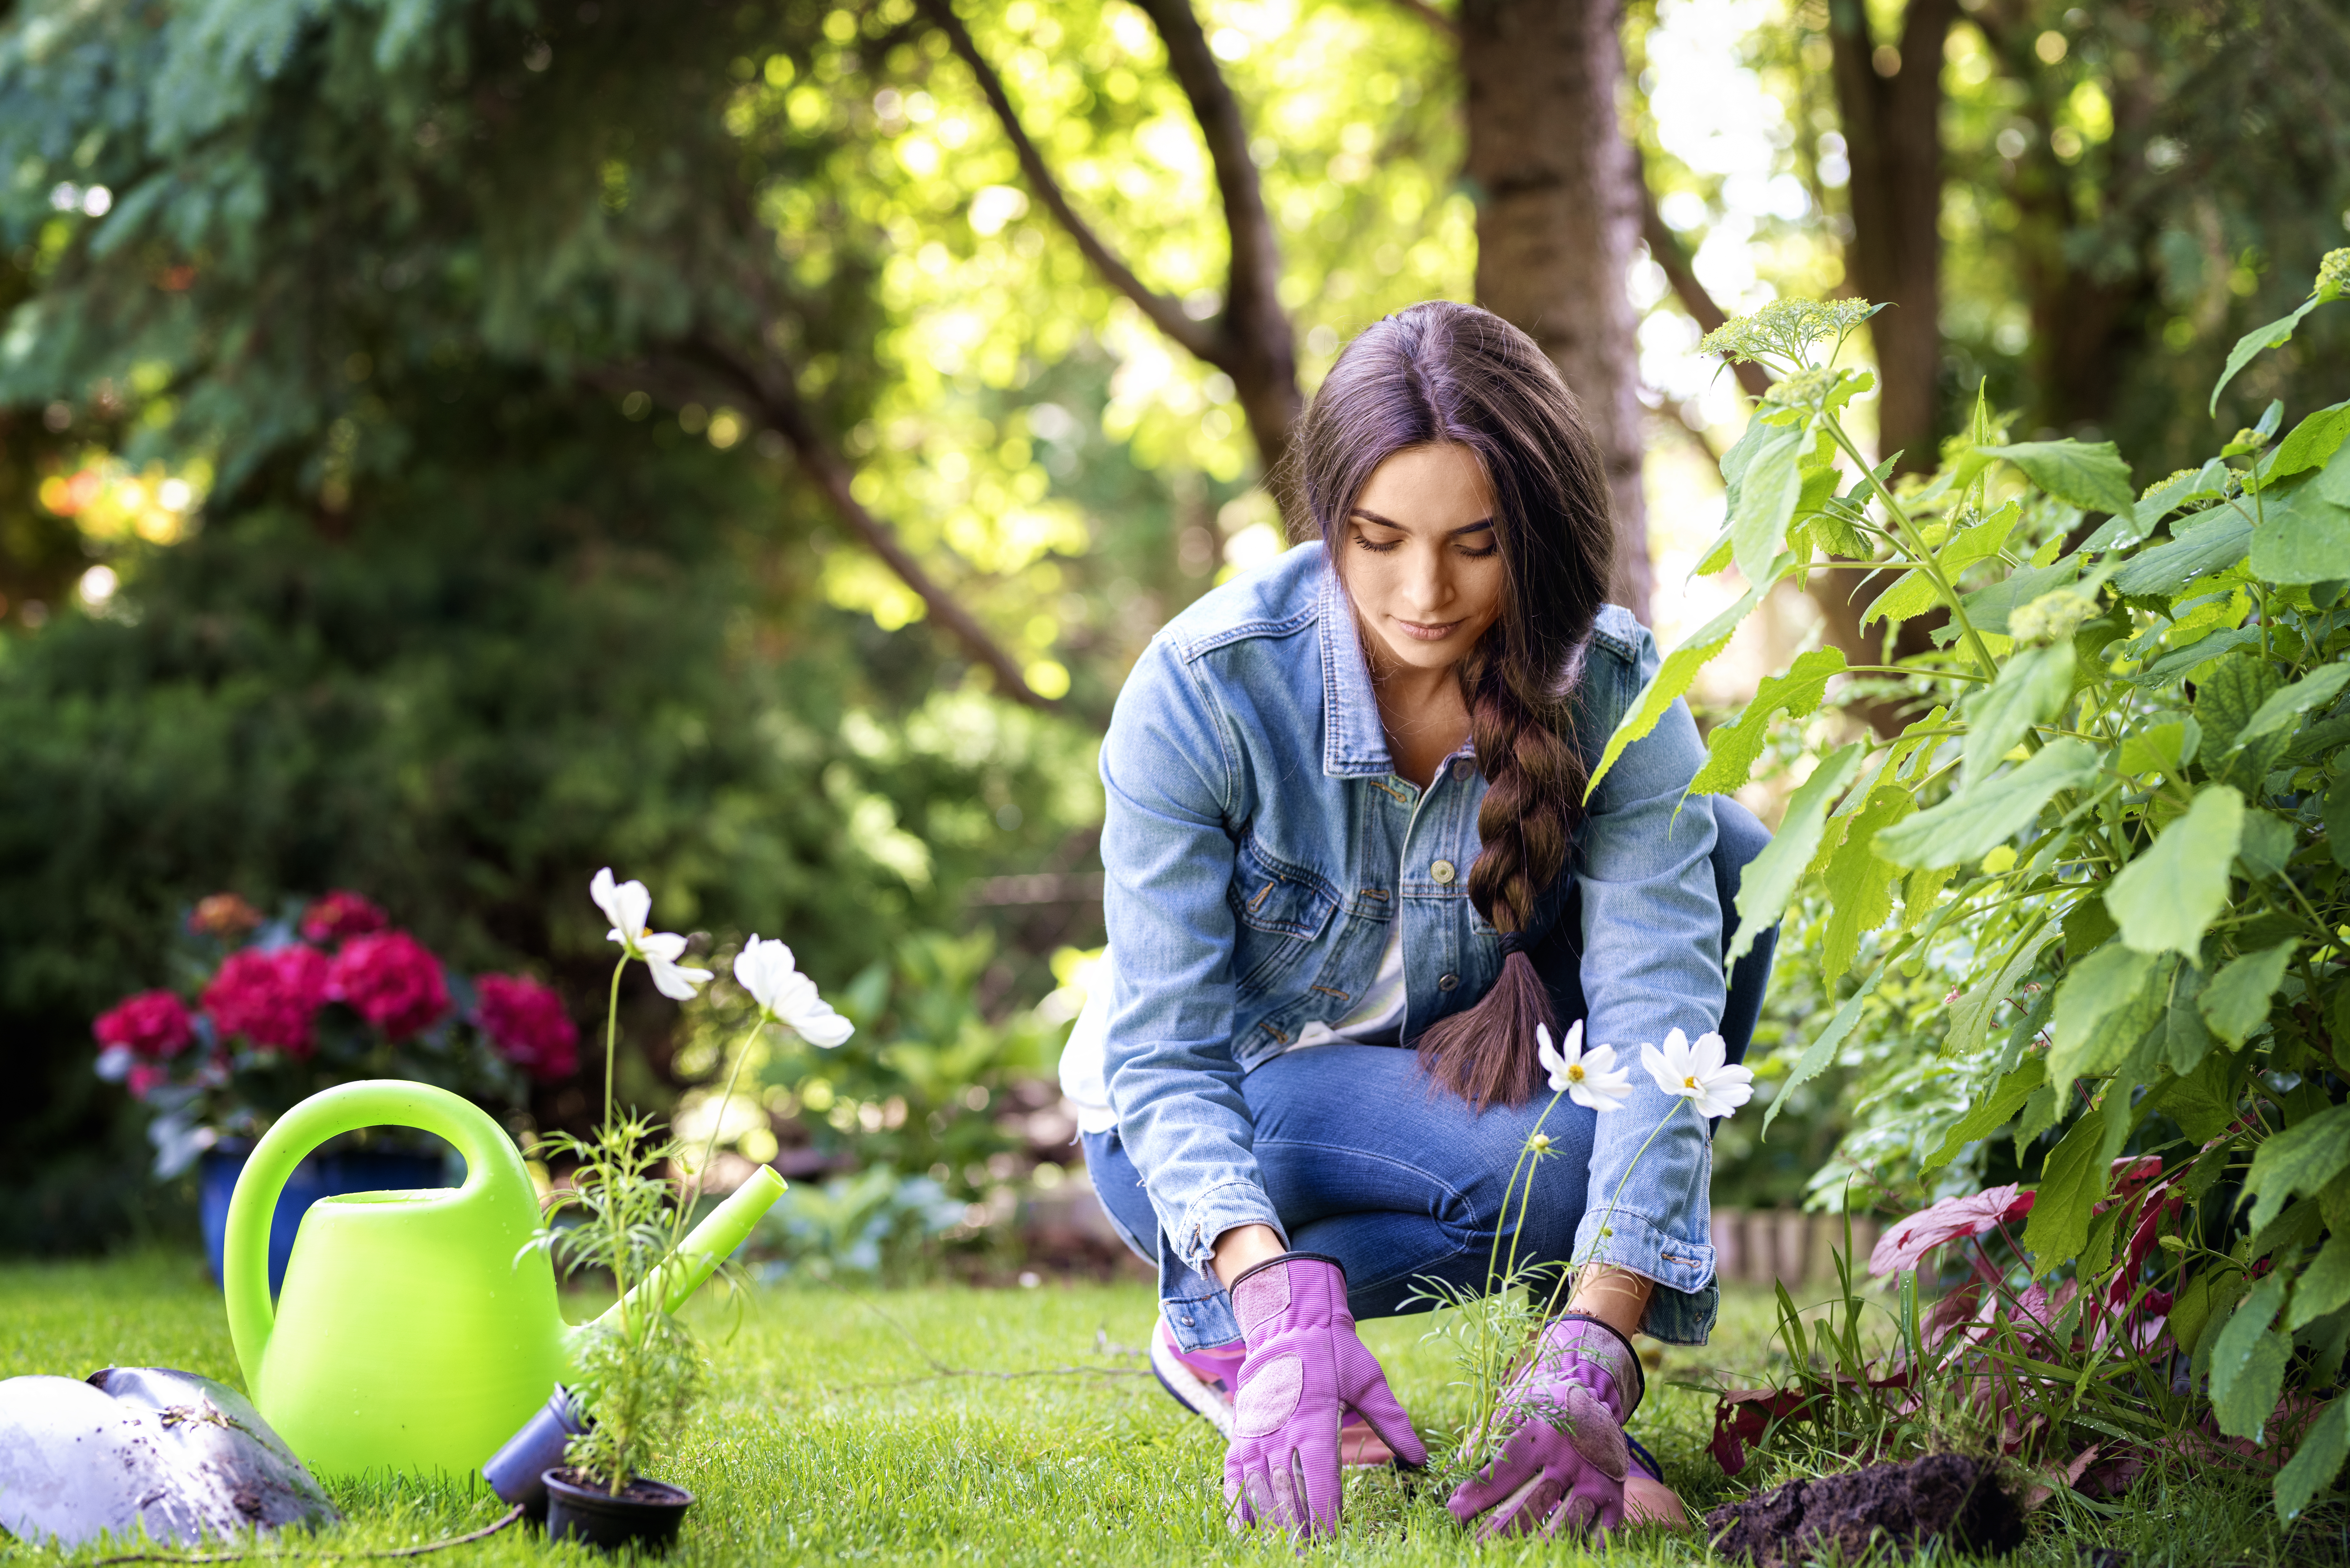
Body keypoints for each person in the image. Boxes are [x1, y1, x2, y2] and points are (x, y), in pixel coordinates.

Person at [1057, 300, 1777, 1540]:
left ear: (1535, 534)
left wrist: (1603, 1342)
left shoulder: (1608, 689)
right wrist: (1262, 1279)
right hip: (1202, 1108)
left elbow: (1662, 1022)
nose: (1423, 591)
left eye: (1474, 544)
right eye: (1375, 538)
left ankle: (1555, 1394)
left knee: (1735, 876)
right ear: (1326, 518)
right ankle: (1239, 1312)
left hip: (1410, 1086)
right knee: (1546, 1170)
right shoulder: (1206, 689)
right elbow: (1167, 1052)